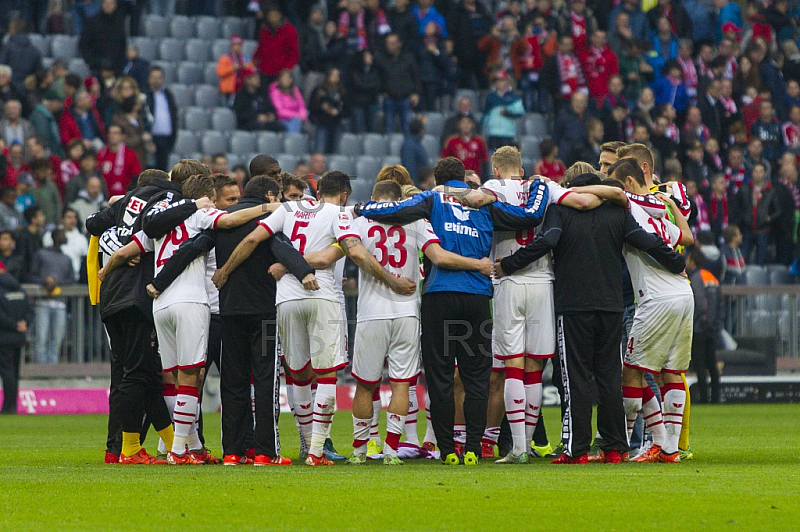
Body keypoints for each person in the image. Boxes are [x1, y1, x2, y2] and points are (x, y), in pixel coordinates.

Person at [356, 157, 550, 466]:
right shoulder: (485, 202)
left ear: (437, 179)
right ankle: (472, 448)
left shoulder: (433, 198)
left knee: (441, 377)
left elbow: (395, 211)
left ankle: (446, 450)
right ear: (463, 178)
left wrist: (360, 208)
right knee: (476, 377)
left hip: (439, 296)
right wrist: (539, 184)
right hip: (476, 298)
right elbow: (530, 216)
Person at [213, 171, 414, 466]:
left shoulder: (287, 209)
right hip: (322, 295)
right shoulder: (340, 214)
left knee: (298, 375)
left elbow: (253, 238)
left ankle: (306, 442)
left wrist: (226, 271)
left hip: (286, 299)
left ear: (318, 191)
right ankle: (316, 451)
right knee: (326, 374)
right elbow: (353, 253)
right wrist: (392, 280)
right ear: (344, 195)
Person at [496, 168, 686, 463]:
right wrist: (676, 261)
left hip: (573, 305)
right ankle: (615, 448)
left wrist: (510, 264)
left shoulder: (560, 210)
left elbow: (549, 240)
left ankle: (577, 449)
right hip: (610, 305)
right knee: (609, 377)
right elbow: (643, 240)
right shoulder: (617, 213)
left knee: (576, 380)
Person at [144, 175, 313, 465]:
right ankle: (265, 452)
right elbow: (284, 248)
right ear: (270, 195)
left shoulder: (223, 220)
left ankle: (232, 452)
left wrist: (159, 282)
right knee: (264, 380)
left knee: (232, 383)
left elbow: (191, 248)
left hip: (229, 314)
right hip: (263, 317)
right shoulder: (269, 219)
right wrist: (303, 271)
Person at [101, 174, 268, 464]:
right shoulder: (201, 214)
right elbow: (228, 222)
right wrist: (267, 209)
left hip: (160, 305)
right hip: (190, 301)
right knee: (192, 376)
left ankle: (192, 446)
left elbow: (125, 251)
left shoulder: (161, 224)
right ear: (208, 197)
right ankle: (178, 450)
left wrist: (104, 273)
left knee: (173, 377)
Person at [348, 180, 493, 465]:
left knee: (366, 384)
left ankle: (359, 451)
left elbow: (352, 252)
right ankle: (392, 450)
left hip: (371, 311)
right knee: (402, 383)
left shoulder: (361, 221)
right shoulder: (417, 221)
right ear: (399, 200)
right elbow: (437, 256)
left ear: (376, 199)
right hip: (408, 311)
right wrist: (478, 264)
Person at [30, 228, 73, 364]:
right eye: (61, 234)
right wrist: (44, 282)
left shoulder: (67, 258)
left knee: (57, 339)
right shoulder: (41, 254)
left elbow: (71, 279)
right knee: (41, 337)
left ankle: (52, 367)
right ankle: (40, 368)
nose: (64, 236)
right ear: (55, 237)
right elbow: (31, 275)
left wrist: (57, 282)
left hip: (60, 303)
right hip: (42, 302)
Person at [686, 247, 722, 404]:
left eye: (687, 259)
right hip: (712, 327)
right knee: (712, 364)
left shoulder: (695, 277)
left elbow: (700, 304)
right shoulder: (711, 277)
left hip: (699, 327)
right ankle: (716, 398)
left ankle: (703, 398)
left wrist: (692, 322)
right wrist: (716, 322)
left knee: (700, 364)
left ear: (693, 261)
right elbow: (720, 303)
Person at [732, 162, 778, 265]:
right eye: (756, 171)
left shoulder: (770, 190)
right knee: (744, 257)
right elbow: (735, 206)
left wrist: (769, 218)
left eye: (760, 171)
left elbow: (778, 210)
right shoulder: (744, 188)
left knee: (761, 259)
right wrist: (742, 218)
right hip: (747, 228)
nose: (758, 174)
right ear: (752, 173)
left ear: (765, 173)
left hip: (763, 229)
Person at [0, 262, 30, 413]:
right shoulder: (20, 289)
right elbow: (30, 311)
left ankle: (7, 407)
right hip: (19, 337)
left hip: (4, 337)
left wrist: (13, 325)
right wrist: (24, 324)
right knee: (15, 372)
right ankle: (13, 405)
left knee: (7, 372)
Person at [376, 34, 420, 136]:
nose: (389, 46)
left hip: (406, 98)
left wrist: (416, 93)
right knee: (388, 128)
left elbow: (416, 77)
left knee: (407, 128)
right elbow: (377, 77)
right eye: (387, 43)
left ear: (399, 44)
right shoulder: (381, 58)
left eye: (392, 43)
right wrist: (381, 91)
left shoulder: (408, 57)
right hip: (389, 98)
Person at [253, 7, 299, 88]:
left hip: (281, 72)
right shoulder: (264, 29)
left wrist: (287, 69)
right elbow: (260, 46)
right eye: (270, 16)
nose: (273, 18)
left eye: (275, 15)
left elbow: (294, 53)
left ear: (280, 15)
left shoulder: (290, 30)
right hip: (264, 70)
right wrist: (255, 58)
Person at [79, 0, 127, 74]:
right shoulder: (92, 22)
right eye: (106, 3)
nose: (108, 5)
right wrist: (92, 62)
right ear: (101, 4)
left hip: (116, 68)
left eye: (111, 3)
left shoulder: (119, 23)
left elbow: (122, 44)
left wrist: (119, 64)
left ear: (115, 6)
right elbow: (84, 44)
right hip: (96, 67)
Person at [146, 66, 178, 172]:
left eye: (159, 77)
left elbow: (174, 115)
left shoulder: (168, 95)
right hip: (151, 138)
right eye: (153, 77)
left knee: (162, 171)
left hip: (166, 139)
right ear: (149, 78)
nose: (156, 80)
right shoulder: (146, 95)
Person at [482, 71, 524, 151]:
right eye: (497, 81)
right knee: (493, 159)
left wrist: (508, 113)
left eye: (502, 80)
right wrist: (483, 131)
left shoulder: (514, 97)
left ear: (506, 81)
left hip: (508, 134)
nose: (499, 83)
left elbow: (520, 112)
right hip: (493, 133)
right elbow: (486, 115)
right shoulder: (490, 97)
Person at [43, 208, 87, 281]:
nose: (72, 221)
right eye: (69, 217)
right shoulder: (49, 235)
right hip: (52, 277)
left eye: (74, 218)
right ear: (62, 219)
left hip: (75, 278)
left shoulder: (82, 239)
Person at [233, 69, 283, 133]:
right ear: (248, 80)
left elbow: (270, 107)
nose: (258, 80)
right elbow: (239, 114)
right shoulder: (241, 95)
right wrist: (256, 117)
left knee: (279, 127)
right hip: (248, 124)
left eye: (258, 78)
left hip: (265, 122)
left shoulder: (262, 93)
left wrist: (272, 115)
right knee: (260, 127)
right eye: (255, 78)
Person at [97, 124, 141, 197]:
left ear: (123, 136)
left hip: (124, 196)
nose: (112, 136)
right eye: (110, 133)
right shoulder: (101, 154)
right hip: (104, 196)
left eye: (116, 133)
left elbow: (136, 176)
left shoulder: (130, 154)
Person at [309, 68, 345, 153]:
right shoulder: (318, 91)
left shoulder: (342, 92)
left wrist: (338, 112)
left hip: (337, 123)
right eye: (333, 75)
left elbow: (347, 109)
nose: (335, 77)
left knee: (335, 151)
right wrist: (323, 108)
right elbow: (311, 107)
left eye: (337, 75)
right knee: (320, 150)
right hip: (322, 123)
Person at [0, 20, 42, 91]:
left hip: (9, 89)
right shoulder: (35, 51)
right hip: (28, 89)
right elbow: (39, 72)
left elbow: (1, 67)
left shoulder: (7, 48)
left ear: (12, 30)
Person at [347, 50, 382, 133]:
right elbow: (358, 85)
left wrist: (366, 85)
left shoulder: (375, 69)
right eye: (367, 56)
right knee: (359, 130)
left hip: (372, 103)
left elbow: (378, 84)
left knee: (373, 131)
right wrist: (370, 85)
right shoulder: (354, 70)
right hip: (358, 103)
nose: (371, 58)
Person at [553, 92, 589, 167]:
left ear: (586, 104)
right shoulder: (563, 118)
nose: (578, 104)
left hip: (585, 156)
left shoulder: (589, 118)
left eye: (581, 101)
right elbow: (556, 138)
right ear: (571, 103)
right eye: (576, 101)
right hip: (566, 155)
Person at [216, 35, 254, 106]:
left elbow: (252, 72)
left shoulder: (246, 57)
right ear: (231, 46)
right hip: (230, 90)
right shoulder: (225, 58)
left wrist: (245, 67)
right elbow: (220, 72)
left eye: (239, 45)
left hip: (244, 88)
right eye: (235, 45)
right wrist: (232, 68)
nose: (237, 47)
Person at [269, 69, 308, 134]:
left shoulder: (295, 90)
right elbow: (280, 111)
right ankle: (294, 140)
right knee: (295, 122)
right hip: (282, 119)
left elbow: (301, 106)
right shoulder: (275, 92)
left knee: (305, 116)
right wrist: (297, 115)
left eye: (289, 78)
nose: (286, 80)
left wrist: (302, 115)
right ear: (279, 79)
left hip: (296, 117)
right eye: (284, 78)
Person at [29, 158, 62, 228]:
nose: (44, 174)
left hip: (52, 223)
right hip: (36, 224)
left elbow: (58, 204)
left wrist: (58, 220)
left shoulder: (51, 186)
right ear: (35, 172)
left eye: (45, 171)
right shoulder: (30, 187)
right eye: (41, 171)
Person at [29, 92, 63, 158]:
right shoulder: (39, 116)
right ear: (50, 103)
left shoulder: (48, 115)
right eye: (57, 103)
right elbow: (43, 137)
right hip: (46, 154)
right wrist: (48, 154)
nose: (59, 106)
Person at [400, 118, 430, 185]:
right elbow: (409, 165)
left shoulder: (417, 144)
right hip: (415, 184)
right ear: (421, 131)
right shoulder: (409, 145)